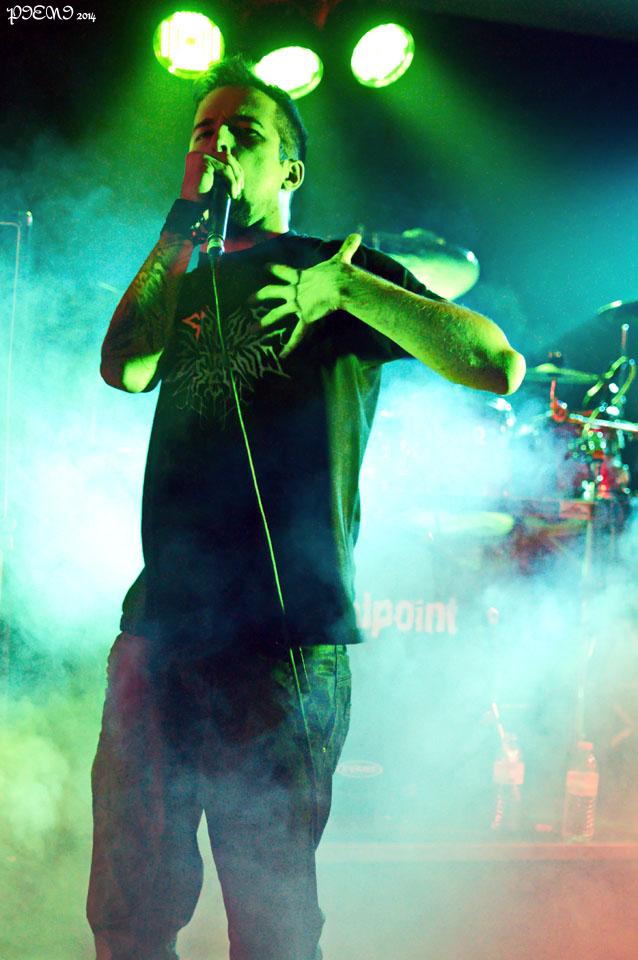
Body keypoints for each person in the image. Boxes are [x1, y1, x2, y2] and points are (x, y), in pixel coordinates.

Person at [87, 56, 526, 960]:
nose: (216, 145)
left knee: (273, 922)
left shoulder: (336, 270)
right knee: (129, 912)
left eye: (241, 132)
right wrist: (179, 225)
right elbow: (124, 367)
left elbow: (495, 363)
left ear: (289, 167)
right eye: (202, 132)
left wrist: (347, 289)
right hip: (160, 631)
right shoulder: (183, 272)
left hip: (283, 642)